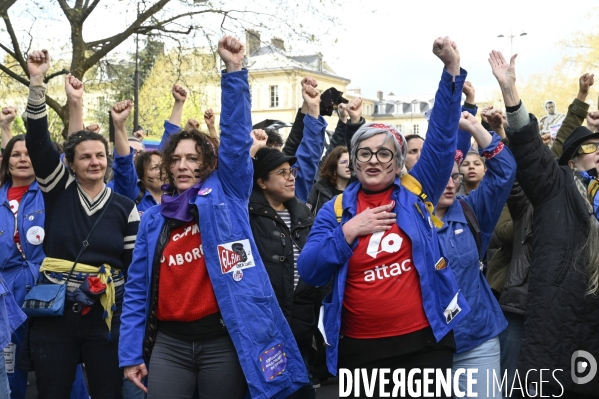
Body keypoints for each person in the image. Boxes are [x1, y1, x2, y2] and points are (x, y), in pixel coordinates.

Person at [119, 35, 308, 399]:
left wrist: (234, 71)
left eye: (192, 158)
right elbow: (138, 290)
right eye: (175, 159)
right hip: (170, 346)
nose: (183, 165)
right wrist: (130, 355)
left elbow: (237, 141)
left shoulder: (228, 194)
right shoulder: (155, 220)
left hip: (222, 341)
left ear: (207, 163)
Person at [298, 37, 471, 398]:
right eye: (364, 153)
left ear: (396, 163)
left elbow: (440, 138)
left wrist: (451, 71)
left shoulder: (414, 191)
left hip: (425, 346)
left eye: (383, 154)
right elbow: (311, 270)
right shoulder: (336, 211)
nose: (373, 160)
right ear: (355, 161)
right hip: (359, 351)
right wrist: (347, 233)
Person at [24, 49, 140, 398]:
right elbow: (37, 141)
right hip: (55, 313)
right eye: (85, 156)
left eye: (100, 156)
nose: (94, 161)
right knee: (53, 391)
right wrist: (37, 81)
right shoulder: (57, 191)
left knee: (108, 392)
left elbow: (134, 271)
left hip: (105, 318)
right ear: (70, 164)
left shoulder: (125, 207)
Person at [490, 48, 599, 397]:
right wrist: (510, 92)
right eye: (591, 147)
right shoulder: (558, 187)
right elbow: (530, 150)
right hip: (557, 326)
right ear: (570, 161)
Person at [434, 111, 516, 398]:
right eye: (441, 177)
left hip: (477, 341)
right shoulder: (405, 218)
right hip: (425, 347)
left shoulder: (471, 209)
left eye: (454, 177)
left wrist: (475, 127)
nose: (449, 184)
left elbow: (505, 170)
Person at [307, 146, 350, 215]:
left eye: (350, 162)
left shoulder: (358, 188)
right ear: (333, 166)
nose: (348, 165)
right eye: (343, 162)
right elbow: (307, 216)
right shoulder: (319, 188)